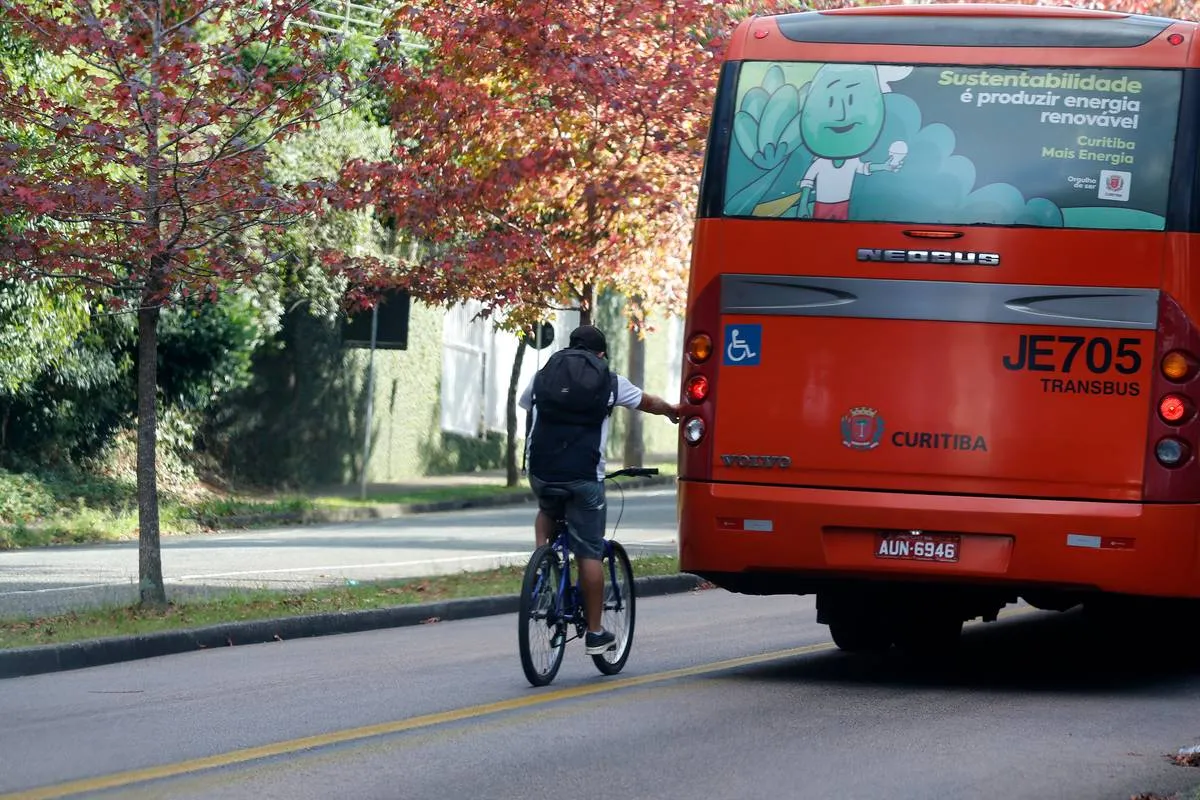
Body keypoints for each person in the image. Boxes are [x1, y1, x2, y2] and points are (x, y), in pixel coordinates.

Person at [518, 324, 681, 654]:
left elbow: (526, 405)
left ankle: (542, 563)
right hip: (584, 476)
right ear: (601, 354)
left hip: (542, 470)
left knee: (547, 507)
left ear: (570, 346)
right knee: (589, 551)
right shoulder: (609, 380)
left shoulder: (543, 376)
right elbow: (647, 402)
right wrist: (671, 411)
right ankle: (594, 632)